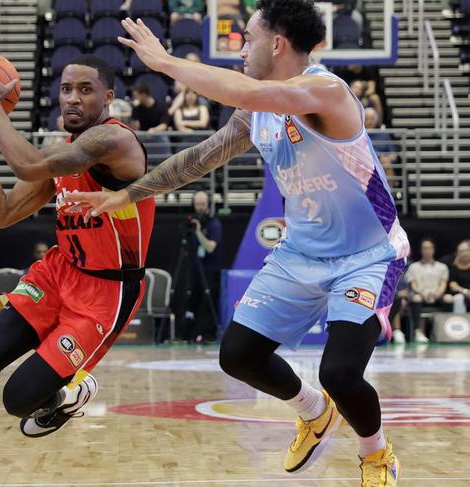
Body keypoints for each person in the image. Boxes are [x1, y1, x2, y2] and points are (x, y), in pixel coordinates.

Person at [69, 4, 410, 485]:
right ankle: (314, 412)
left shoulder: (325, 90)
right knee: (239, 355)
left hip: (367, 256)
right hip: (301, 253)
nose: (240, 47)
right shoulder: (256, 110)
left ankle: (376, 455)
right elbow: (200, 157)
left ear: (277, 44)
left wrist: (166, 63)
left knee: (340, 371)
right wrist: (128, 193)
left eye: (247, 38)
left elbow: (255, 90)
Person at [0, 54, 154, 487]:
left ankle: (73, 394)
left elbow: (26, 165)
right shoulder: (64, 156)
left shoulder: (114, 143)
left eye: (85, 89)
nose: (72, 98)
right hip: (59, 273)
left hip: (105, 293)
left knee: (18, 399)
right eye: (65, 89)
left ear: (108, 98)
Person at [182, 190, 222, 343]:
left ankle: (208, 335)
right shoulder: (192, 223)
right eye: (197, 204)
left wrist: (198, 233)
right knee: (192, 300)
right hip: (195, 270)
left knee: (208, 302)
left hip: (210, 270)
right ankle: (188, 334)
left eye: (203, 204)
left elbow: (210, 247)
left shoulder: (214, 224)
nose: (199, 207)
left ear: (208, 205)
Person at [406, 238, 452, 344]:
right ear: (421, 250)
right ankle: (417, 332)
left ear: (433, 250)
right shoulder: (413, 267)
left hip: (437, 294)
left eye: (430, 248)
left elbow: (443, 284)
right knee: (416, 298)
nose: (427, 251)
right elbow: (413, 285)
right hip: (420, 294)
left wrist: (437, 293)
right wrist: (422, 293)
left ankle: (445, 331)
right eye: (425, 248)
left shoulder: (442, 267)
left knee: (449, 298)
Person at [365, 107, 398, 187]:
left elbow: (394, 155)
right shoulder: (360, 135)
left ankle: (389, 194)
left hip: (382, 163)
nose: (370, 122)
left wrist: (388, 158)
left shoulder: (384, 135)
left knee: (387, 164)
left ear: (376, 120)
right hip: (366, 162)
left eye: (372, 119)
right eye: (367, 119)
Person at [447, 249, 470, 314]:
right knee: (458, 298)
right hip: (460, 293)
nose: (464, 253)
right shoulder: (454, 268)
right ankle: (460, 322)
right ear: (457, 254)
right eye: (462, 251)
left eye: (466, 250)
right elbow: (453, 285)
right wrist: (464, 291)